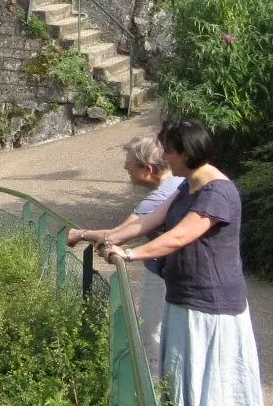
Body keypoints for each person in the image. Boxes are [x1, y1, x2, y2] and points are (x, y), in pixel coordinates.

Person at [103, 119, 265, 406]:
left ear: (186, 153)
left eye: (169, 150)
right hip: (186, 292)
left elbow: (180, 236)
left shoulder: (217, 192)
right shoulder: (186, 185)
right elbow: (154, 220)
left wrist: (130, 254)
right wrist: (111, 238)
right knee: (193, 366)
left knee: (203, 367)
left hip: (211, 299)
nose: (163, 156)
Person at [65, 134, 185, 372]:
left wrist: (79, 234)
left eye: (129, 163)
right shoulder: (174, 184)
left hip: (164, 275)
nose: (125, 168)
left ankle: (153, 389)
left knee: (151, 331)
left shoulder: (159, 197)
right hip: (166, 271)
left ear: (148, 169)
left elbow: (118, 233)